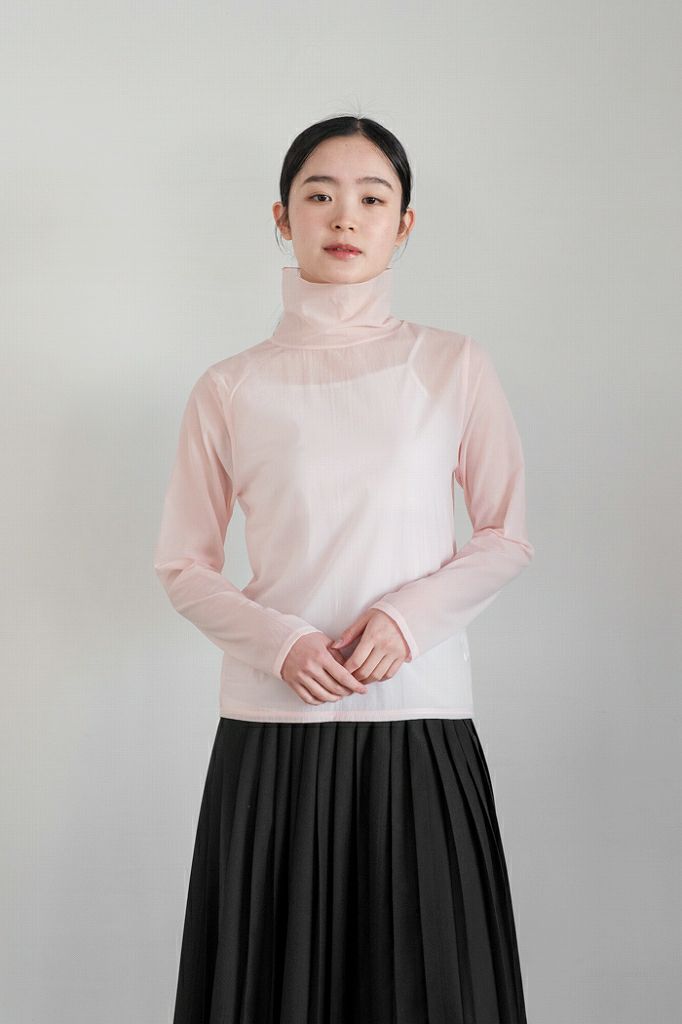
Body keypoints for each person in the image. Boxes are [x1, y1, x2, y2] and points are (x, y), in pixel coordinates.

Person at [154, 114, 534, 1024]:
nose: (345, 216)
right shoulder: (230, 386)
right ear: (281, 217)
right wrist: (280, 644)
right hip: (273, 728)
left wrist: (407, 621)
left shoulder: (452, 365)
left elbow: (504, 534)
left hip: (417, 721)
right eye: (319, 194)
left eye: (373, 197)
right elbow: (183, 563)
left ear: (405, 224)